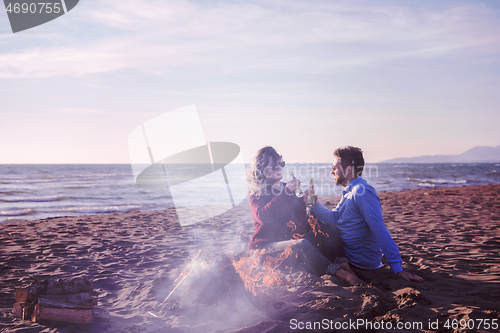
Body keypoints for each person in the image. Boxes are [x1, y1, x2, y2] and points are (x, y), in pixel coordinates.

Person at [247, 146, 364, 285]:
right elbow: (263, 217)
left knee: (329, 228)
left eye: (281, 164)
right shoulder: (257, 192)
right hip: (268, 247)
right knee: (300, 244)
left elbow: (300, 220)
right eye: (273, 166)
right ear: (262, 170)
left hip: (292, 242)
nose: (279, 168)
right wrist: (284, 194)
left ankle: (344, 265)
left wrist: (309, 204)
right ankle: (338, 273)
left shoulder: (289, 188)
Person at [306, 146, 423, 281]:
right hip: (348, 254)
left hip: (359, 262)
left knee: (306, 244)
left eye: (335, 167)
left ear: (348, 169)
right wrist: (315, 204)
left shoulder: (362, 192)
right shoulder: (351, 191)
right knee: (311, 228)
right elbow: (334, 218)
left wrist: (397, 269)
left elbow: (379, 229)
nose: (332, 171)